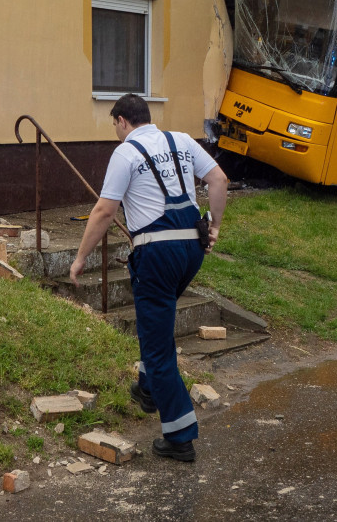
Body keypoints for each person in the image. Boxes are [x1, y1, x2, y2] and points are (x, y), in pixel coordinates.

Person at [70, 93, 228, 463]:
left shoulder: (125, 153)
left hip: (157, 254)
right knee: (157, 322)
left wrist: (79, 259)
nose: (115, 132)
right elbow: (219, 179)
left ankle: (179, 436)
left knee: (158, 349)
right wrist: (216, 226)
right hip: (192, 250)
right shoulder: (182, 141)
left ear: (123, 121)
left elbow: (105, 210)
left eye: (114, 125)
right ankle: (146, 388)